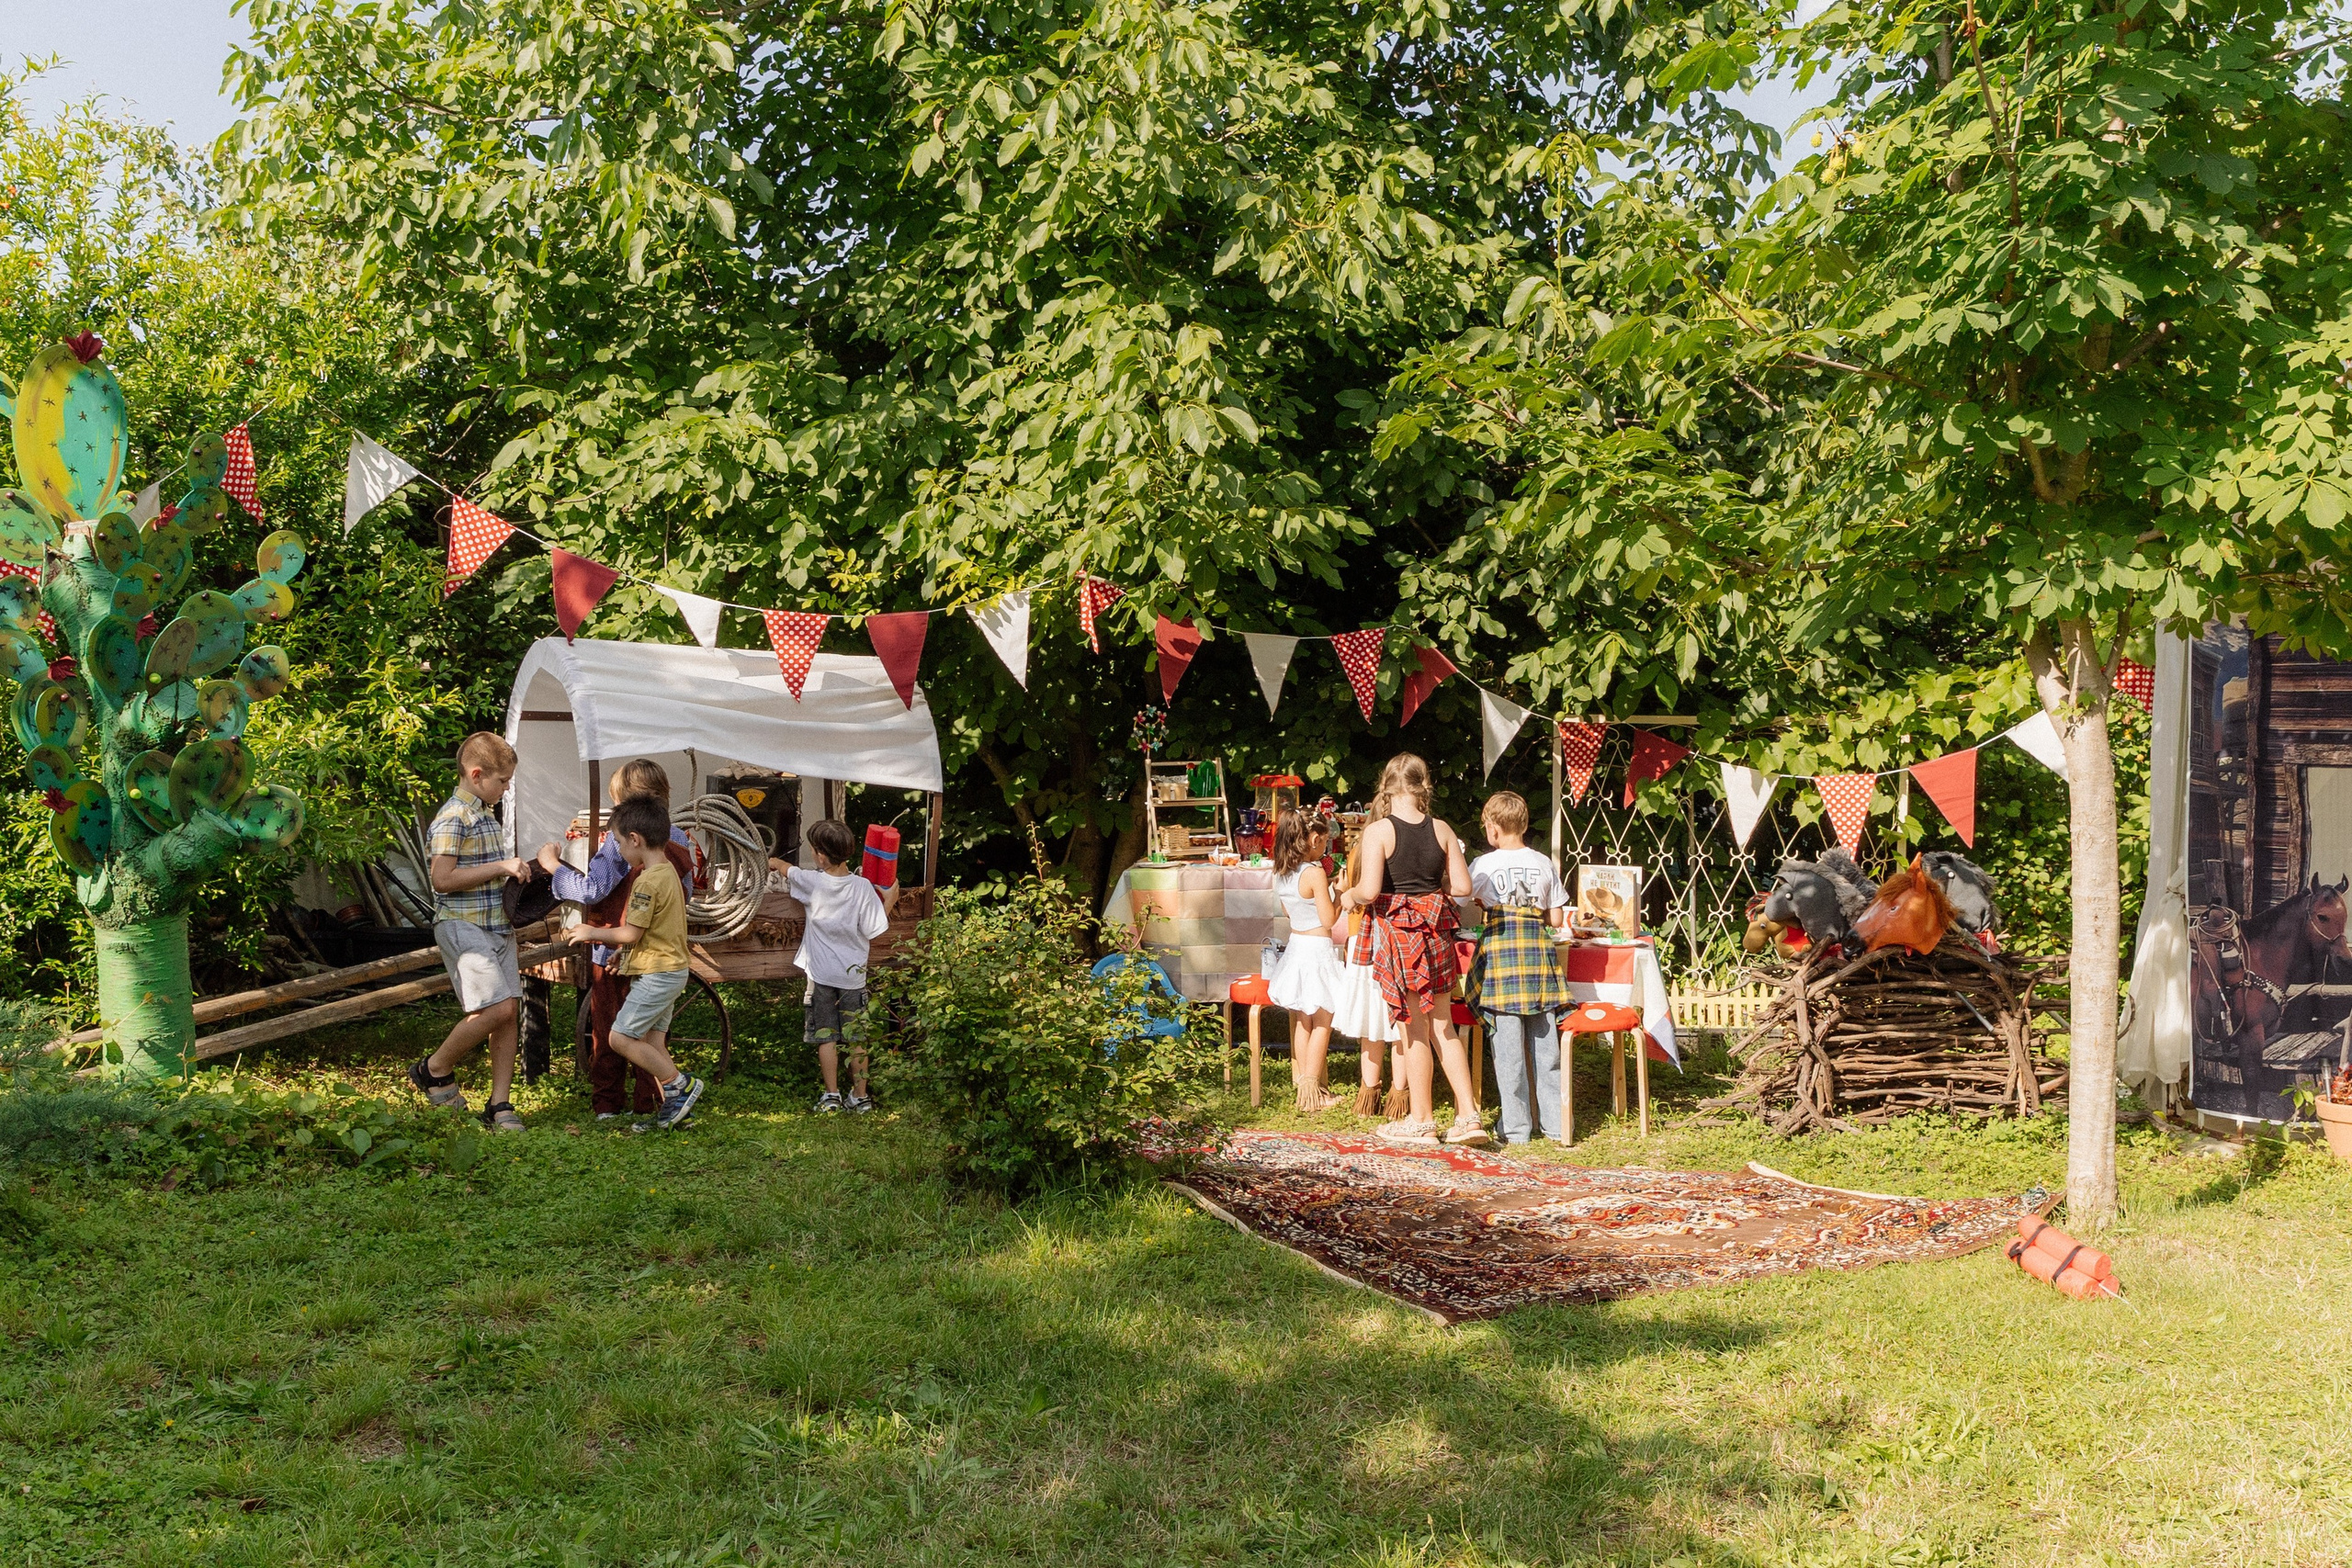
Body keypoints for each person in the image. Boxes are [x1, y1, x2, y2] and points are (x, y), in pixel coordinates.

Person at [1338, 753, 1488, 1147]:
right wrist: (1429, 889)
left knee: (1412, 1029)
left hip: (1400, 934)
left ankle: (1421, 1121)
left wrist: (1347, 895)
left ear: (1386, 787)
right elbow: (1461, 888)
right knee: (1444, 1026)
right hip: (1437, 934)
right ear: (1424, 786)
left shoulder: (1378, 832)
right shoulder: (1441, 828)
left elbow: (1369, 891)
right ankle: (1469, 1116)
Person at [536, 759, 695, 1121]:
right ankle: (654, 1102)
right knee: (652, 1035)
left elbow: (592, 890)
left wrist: (552, 866)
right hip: (662, 951)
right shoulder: (681, 839)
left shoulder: (619, 842)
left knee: (611, 1030)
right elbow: (684, 898)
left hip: (615, 948)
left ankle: (609, 1104)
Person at [561, 796, 707, 1130]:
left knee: (621, 1038)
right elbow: (654, 931)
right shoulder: (668, 872)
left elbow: (630, 932)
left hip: (657, 975)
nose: (617, 848)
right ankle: (677, 1110)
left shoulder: (645, 881)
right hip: (671, 969)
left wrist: (590, 931)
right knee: (653, 1042)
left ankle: (680, 1086)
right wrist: (624, 954)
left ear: (634, 839)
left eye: (616, 840)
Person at [409, 732, 531, 1132]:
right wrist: (502, 867)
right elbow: (442, 880)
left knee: (508, 1014)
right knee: (500, 1009)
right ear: (477, 775)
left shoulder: (483, 813)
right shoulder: (453, 817)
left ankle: (499, 1105)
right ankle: (435, 1067)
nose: (507, 788)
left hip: (496, 926)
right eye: (503, 781)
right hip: (464, 926)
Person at [1468, 790, 1573, 1145]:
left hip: (1501, 962)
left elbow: (1462, 905)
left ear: (1493, 829)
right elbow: (1556, 917)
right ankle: (1557, 1126)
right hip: (1538, 961)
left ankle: (1516, 1130)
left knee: (1508, 1052)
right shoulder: (1544, 863)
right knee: (1547, 1050)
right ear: (1525, 825)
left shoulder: (1483, 865)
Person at [785, 818, 897, 1113]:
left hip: (821, 976)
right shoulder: (862, 888)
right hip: (853, 979)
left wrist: (774, 863)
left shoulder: (813, 882)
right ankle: (860, 1097)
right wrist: (890, 901)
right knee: (857, 1038)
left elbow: (789, 872)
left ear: (821, 856)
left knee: (827, 1036)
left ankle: (831, 1096)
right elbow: (874, 928)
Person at [1265, 809, 1348, 1112]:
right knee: (1324, 1019)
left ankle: (1304, 1086)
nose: (1325, 847)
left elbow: (1289, 912)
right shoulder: (1314, 873)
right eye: (1325, 841)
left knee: (1304, 1019)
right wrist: (1338, 892)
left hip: (1297, 947)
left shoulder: (1283, 872)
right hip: (1317, 951)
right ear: (1313, 839)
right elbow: (1328, 920)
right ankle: (1315, 1092)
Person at [1327, 840, 1399, 1115]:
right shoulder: (1409, 843)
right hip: (1399, 933)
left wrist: (1348, 892)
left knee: (1371, 1021)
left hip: (1365, 935)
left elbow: (1360, 890)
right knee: (1400, 1023)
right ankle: (1399, 1097)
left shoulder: (1362, 848)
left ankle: (1370, 1094)